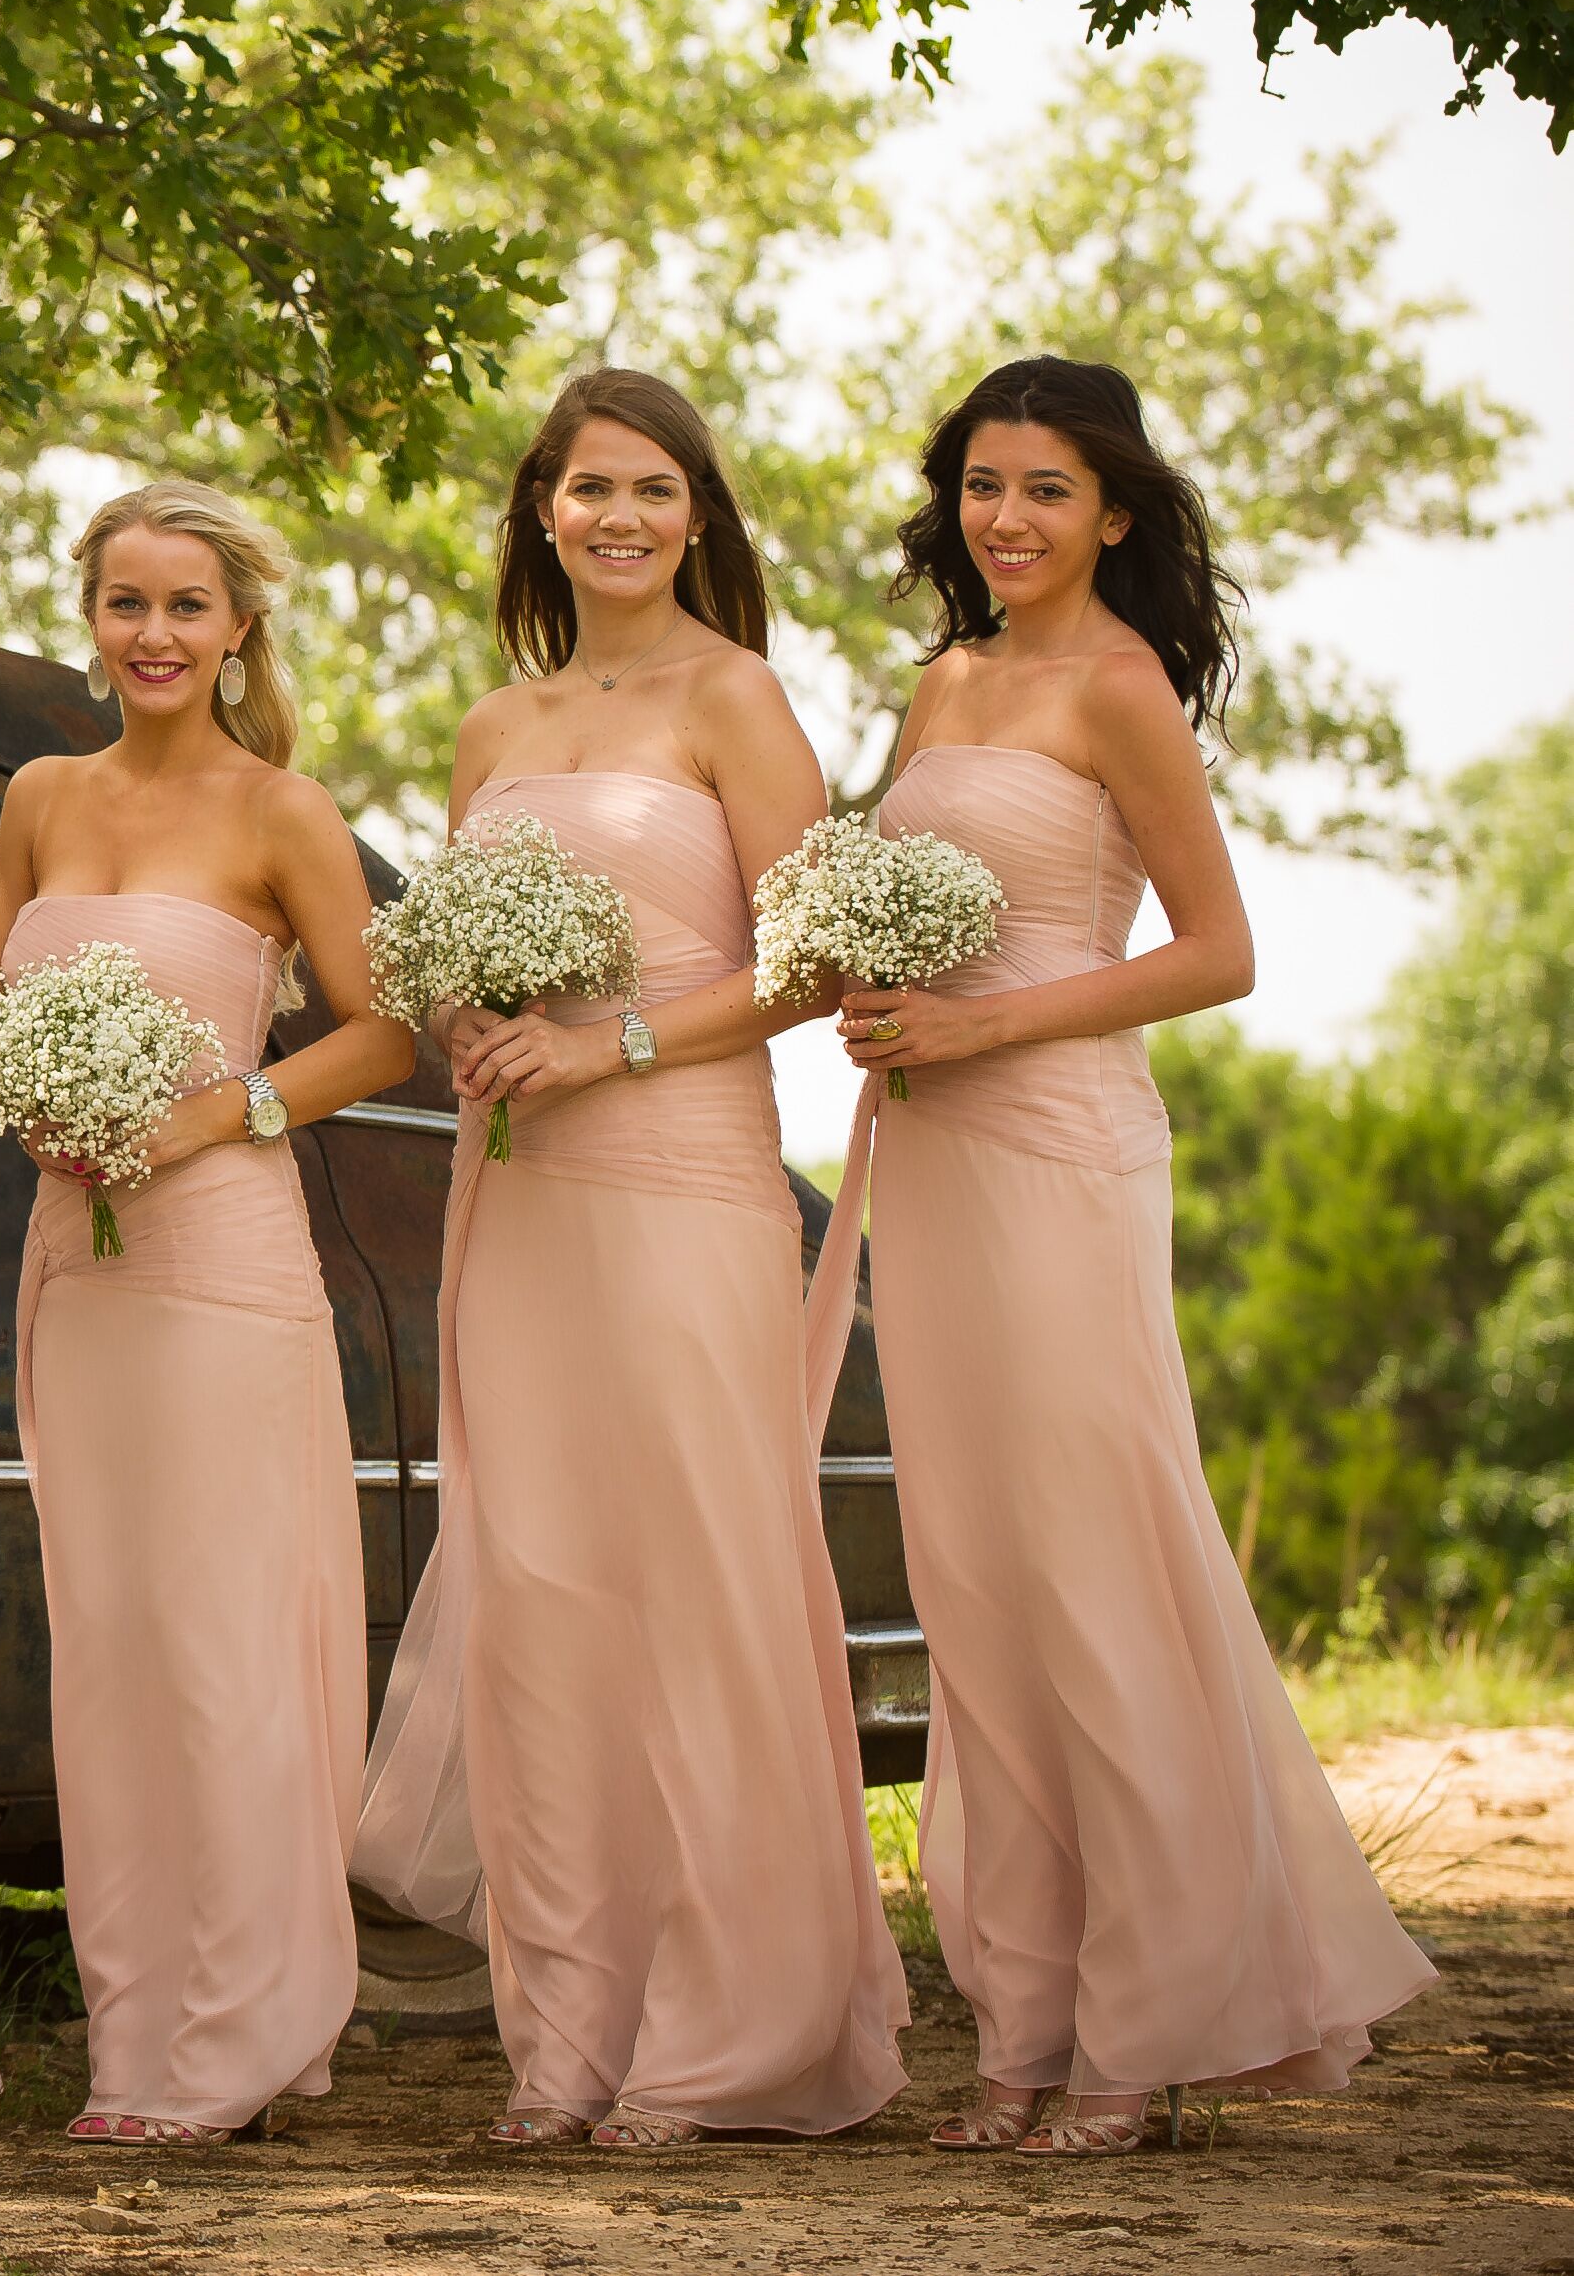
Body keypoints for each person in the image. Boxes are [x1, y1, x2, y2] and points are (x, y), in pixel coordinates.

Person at [818, 357, 1432, 2154]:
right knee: (981, 1595)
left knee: (1088, 1573)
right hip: (925, 1160)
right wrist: (862, 988)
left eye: (1043, 492)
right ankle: (1023, 2018)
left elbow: (1217, 949)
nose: (1003, 520)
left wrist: (982, 1031)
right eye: (980, 487)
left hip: (1062, 1155)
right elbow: (886, 908)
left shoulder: (1117, 685)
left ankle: (1141, 2033)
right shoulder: (937, 686)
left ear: (1115, 517)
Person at [351, 368, 907, 2148]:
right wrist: (463, 1010)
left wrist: (620, 1044)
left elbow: (820, 960)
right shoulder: (490, 729)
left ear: (696, 515)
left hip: (680, 1175)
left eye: (652, 489)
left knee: (696, 1586)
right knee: (542, 1596)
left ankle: (729, 2038)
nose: (617, 516)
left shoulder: (734, 698)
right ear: (538, 507)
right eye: (586, 486)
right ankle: (565, 2042)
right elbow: (444, 959)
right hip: (516, 1194)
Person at [0, 480, 414, 2144]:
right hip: (67, 1250)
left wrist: (214, 1112)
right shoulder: (34, 795)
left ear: (236, 630)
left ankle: (240, 2038)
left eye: (183, 608)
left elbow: (377, 1037)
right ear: (87, 622)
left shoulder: (279, 811)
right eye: (123, 605)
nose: (151, 636)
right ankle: (133, 2038)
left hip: (222, 1250)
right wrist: (35, 1105)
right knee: (109, 1641)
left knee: (225, 1639)